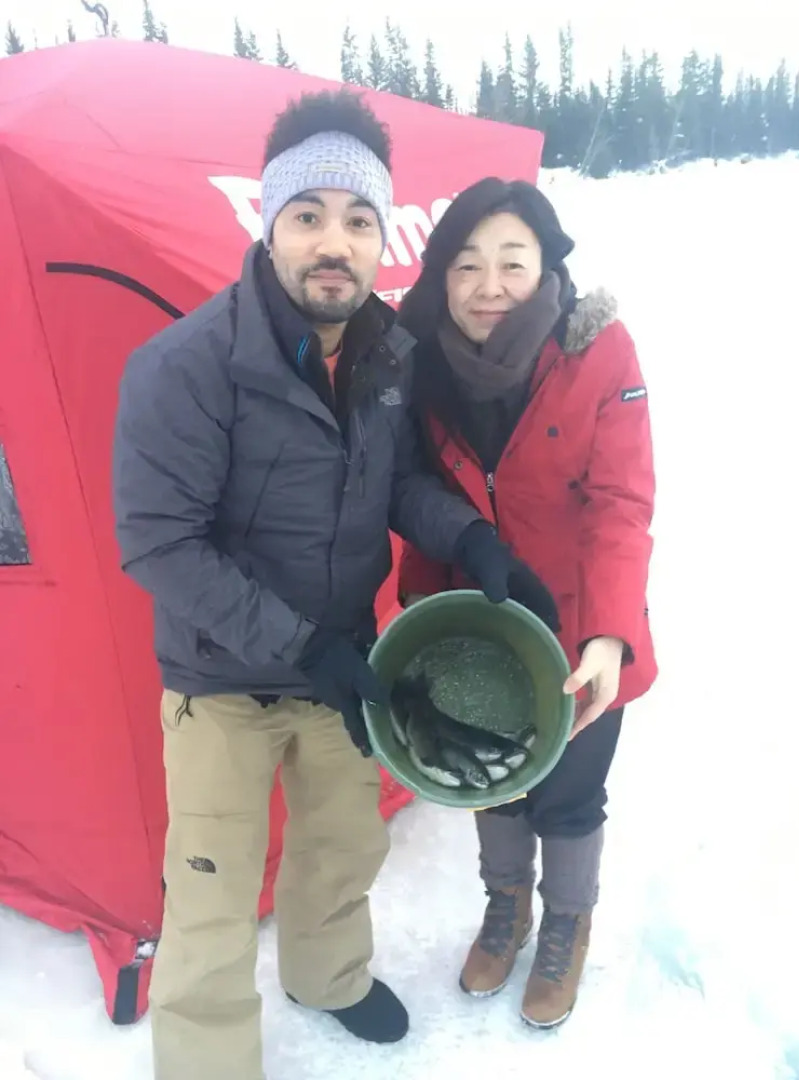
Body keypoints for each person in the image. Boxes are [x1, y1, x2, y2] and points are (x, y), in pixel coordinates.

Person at [112, 95, 553, 1080]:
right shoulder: (184, 368)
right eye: (308, 214)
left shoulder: (389, 355)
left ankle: (330, 977)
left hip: (344, 667)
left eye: (358, 221)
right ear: (267, 222)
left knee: (344, 850)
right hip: (221, 680)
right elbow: (157, 545)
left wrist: (476, 541)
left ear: (378, 238)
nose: (334, 243)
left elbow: (397, 482)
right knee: (214, 892)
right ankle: (208, 1062)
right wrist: (305, 645)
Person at [396, 177, 657, 1030]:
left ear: (547, 268)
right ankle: (505, 905)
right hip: (476, 625)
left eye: (513, 260)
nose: (488, 284)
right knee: (495, 784)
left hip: (581, 627)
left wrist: (613, 634)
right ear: (442, 275)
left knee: (571, 794)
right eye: (467, 264)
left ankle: (567, 924)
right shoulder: (419, 360)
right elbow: (411, 491)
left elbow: (622, 503)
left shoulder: (600, 351)